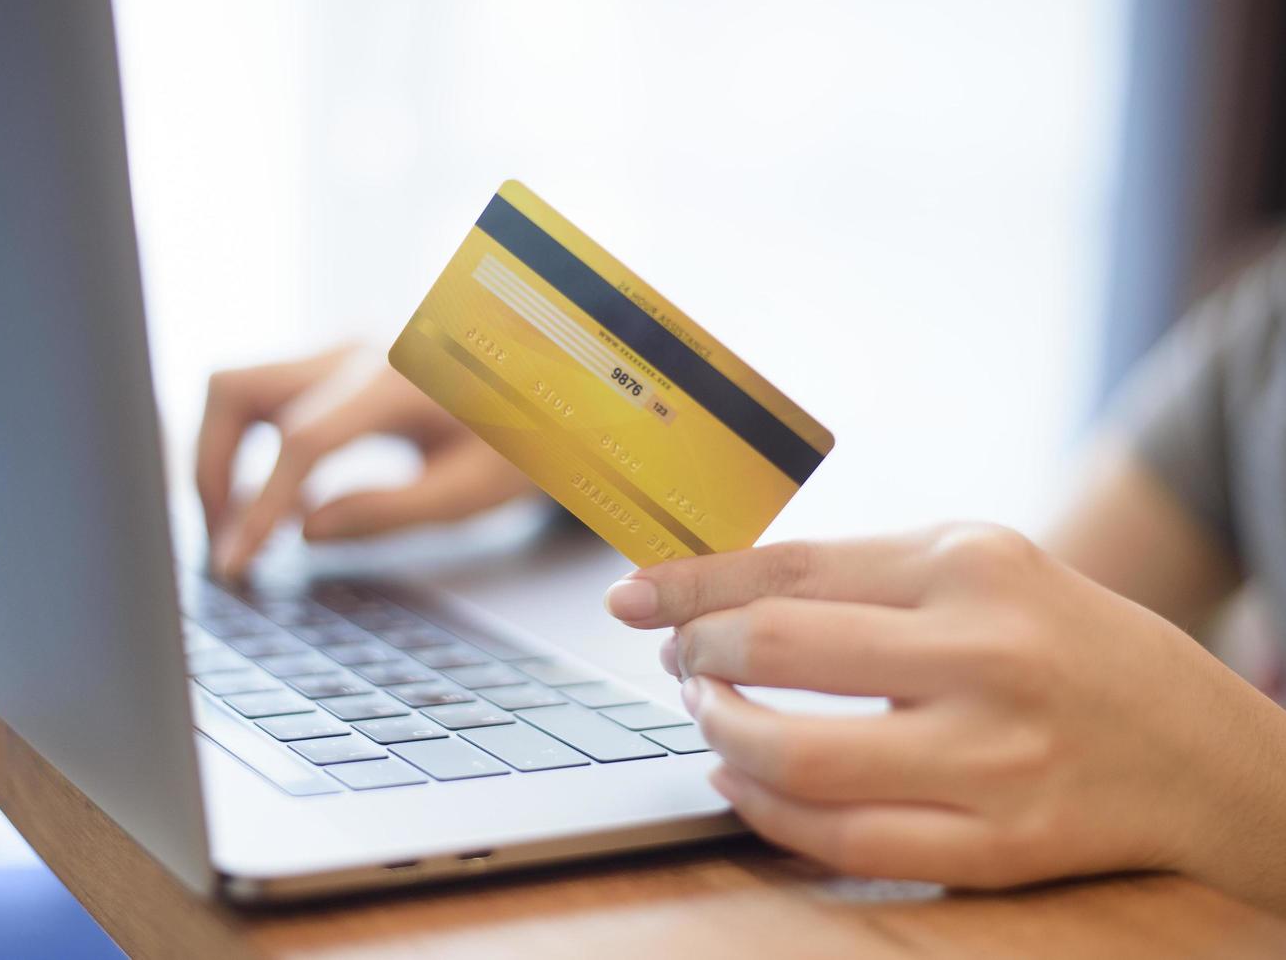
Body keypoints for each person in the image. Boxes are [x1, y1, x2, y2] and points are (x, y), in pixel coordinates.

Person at [197, 239, 1286, 912]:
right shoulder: (1261, 337)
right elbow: (1015, 671)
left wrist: (1247, 787)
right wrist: (565, 460)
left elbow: (1150, 733)